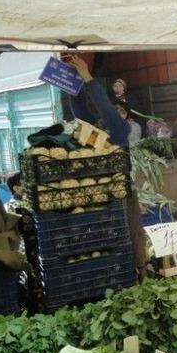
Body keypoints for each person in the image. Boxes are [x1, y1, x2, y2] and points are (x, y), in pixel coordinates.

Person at [67, 54, 148, 275]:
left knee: (132, 236)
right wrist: (72, 81)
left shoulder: (122, 132)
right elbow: (81, 112)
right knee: (108, 240)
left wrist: (87, 77)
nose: (111, 116)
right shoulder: (94, 133)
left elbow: (106, 110)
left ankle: (140, 272)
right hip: (100, 195)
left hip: (124, 194)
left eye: (118, 112)